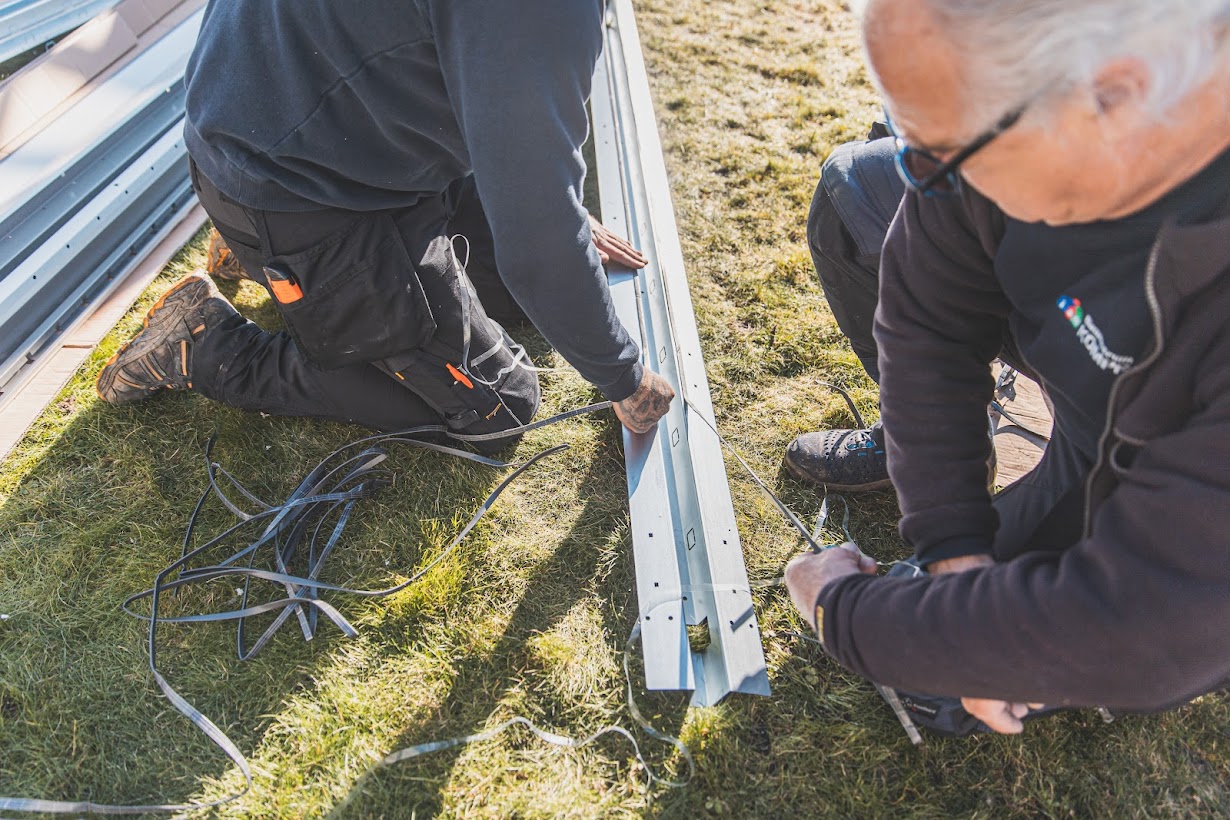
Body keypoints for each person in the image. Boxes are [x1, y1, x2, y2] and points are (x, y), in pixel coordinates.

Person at [784, 0, 1230, 734]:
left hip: (1160, 431)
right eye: (908, 141)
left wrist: (845, 613)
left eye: (939, 151)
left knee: (951, 681)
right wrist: (950, 542)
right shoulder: (1008, 139)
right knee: (852, 193)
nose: (924, 178)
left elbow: (1141, 626)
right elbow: (926, 314)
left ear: (1116, 93)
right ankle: (924, 453)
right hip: (1091, 348)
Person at [96, 0, 675, 445]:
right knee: (497, 402)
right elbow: (537, 244)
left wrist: (543, 194)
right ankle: (202, 343)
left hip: (269, 115)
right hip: (290, 185)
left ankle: (258, 252)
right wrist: (622, 377)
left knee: (505, 286)